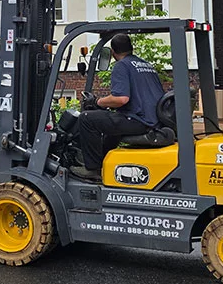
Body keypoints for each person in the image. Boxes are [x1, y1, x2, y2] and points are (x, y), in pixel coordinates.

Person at [70, 33, 166, 181]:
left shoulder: (121, 66)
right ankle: (105, 163)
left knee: (87, 119)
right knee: (111, 122)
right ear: (131, 48)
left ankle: (92, 169)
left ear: (113, 52)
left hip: (138, 120)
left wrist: (97, 102)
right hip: (153, 120)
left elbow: (121, 99)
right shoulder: (146, 65)